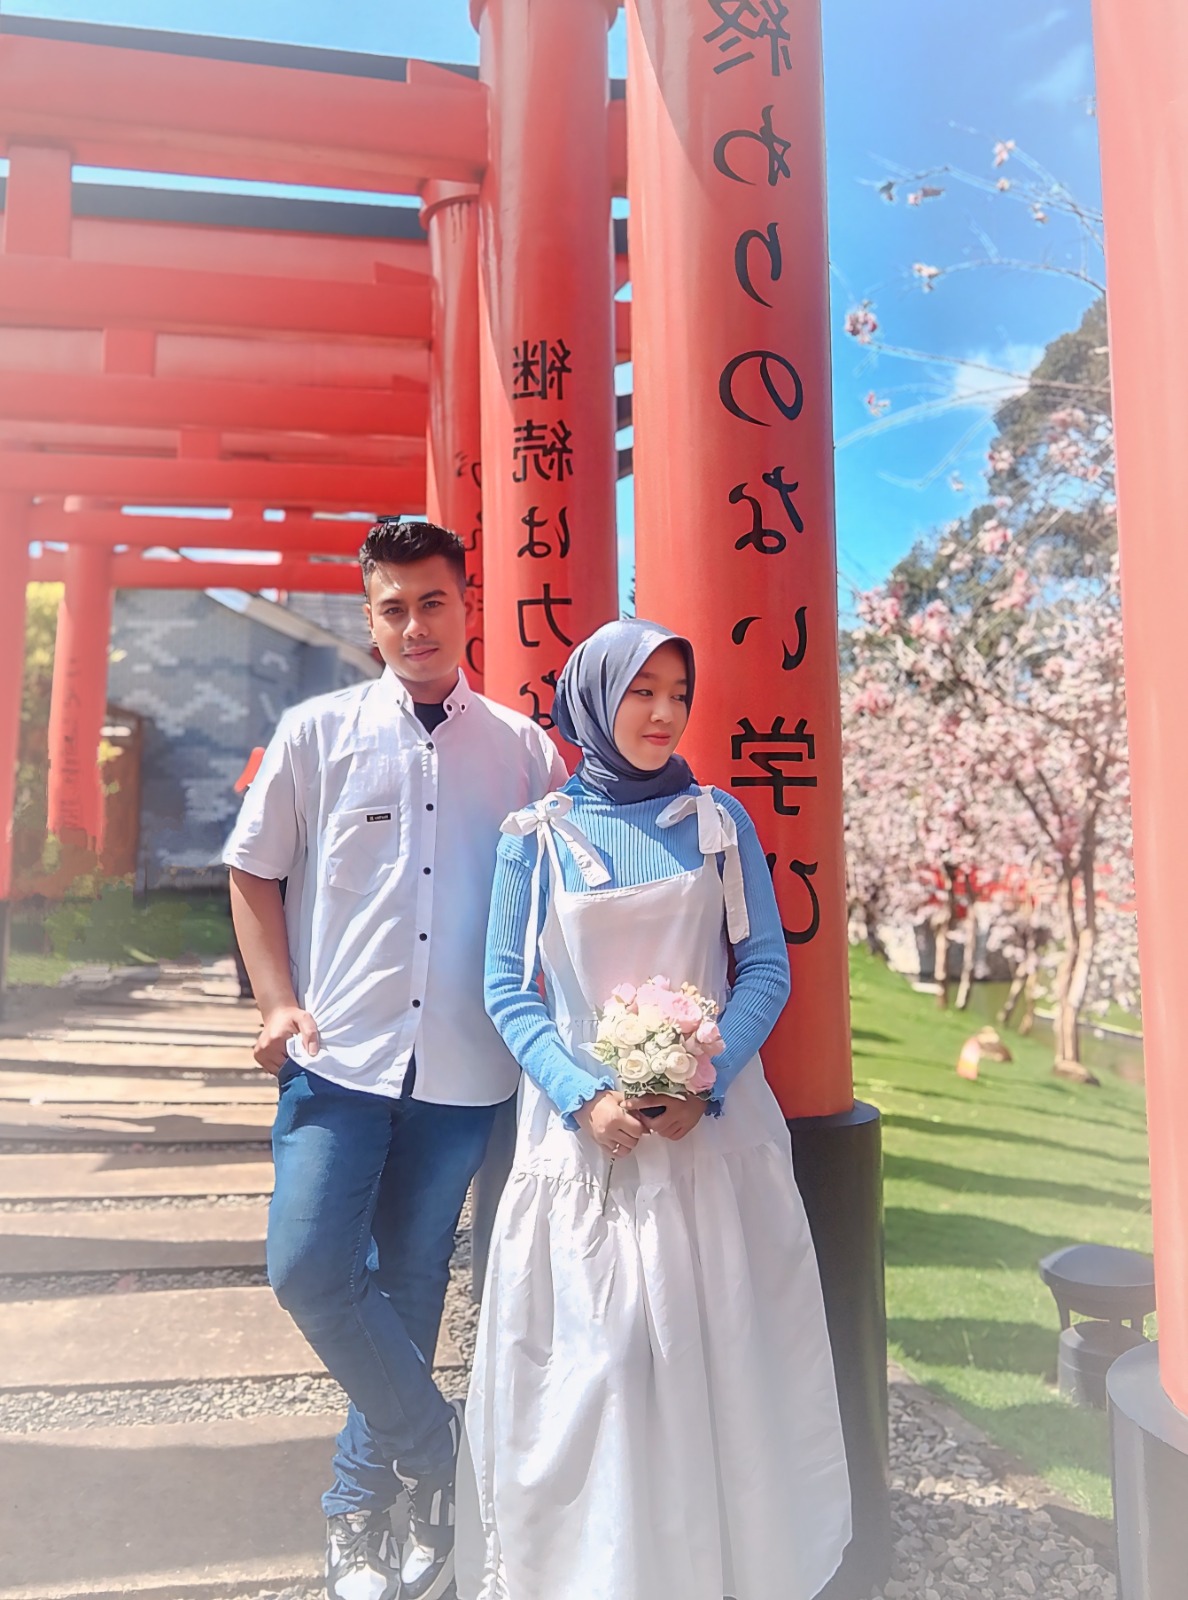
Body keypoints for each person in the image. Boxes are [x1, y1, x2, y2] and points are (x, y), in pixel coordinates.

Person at [457, 618, 852, 1600]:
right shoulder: (536, 837)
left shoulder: (718, 823)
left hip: (712, 1141)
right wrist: (584, 1097)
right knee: (603, 1362)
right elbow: (507, 989)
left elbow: (764, 966)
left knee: (724, 1351)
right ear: (596, 700)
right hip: (587, 1146)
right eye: (641, 692)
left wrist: (705, 1080)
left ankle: (733, 1567)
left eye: (678, 692)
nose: (664, 712)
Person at [224, 519, 566, 1600]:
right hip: (338, 1056)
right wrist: (277, 1001)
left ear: (466, 607)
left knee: (413, 1284)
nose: (415, 625)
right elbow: (254, 870)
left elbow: (564, 902)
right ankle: (441, 1449)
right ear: (369, 619)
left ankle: (361, 1511)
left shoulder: (524, 752)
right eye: (393, 608)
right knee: (308, 1269)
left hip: (467, 1071)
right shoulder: (315, 733)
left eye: (433, 602)